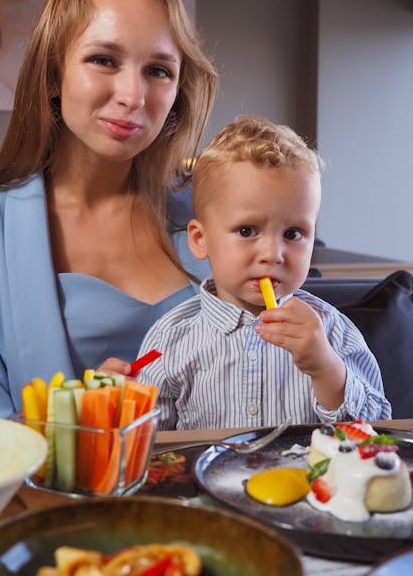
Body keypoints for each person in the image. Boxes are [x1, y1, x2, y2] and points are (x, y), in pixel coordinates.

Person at [0, 0, 217, 418]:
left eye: (158, 71)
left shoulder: (216, 213)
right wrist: (78, 417)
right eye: (104, 59)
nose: (132, 96)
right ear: (52, 76)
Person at [137, 116, 391, 429]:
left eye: (294, 234)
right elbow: (148, 449)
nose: (273, 254)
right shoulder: (168, 341)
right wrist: (120, 403)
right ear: (200, 240)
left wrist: (327, 370)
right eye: (247, 230)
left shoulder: (334, 333)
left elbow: (378, 436)